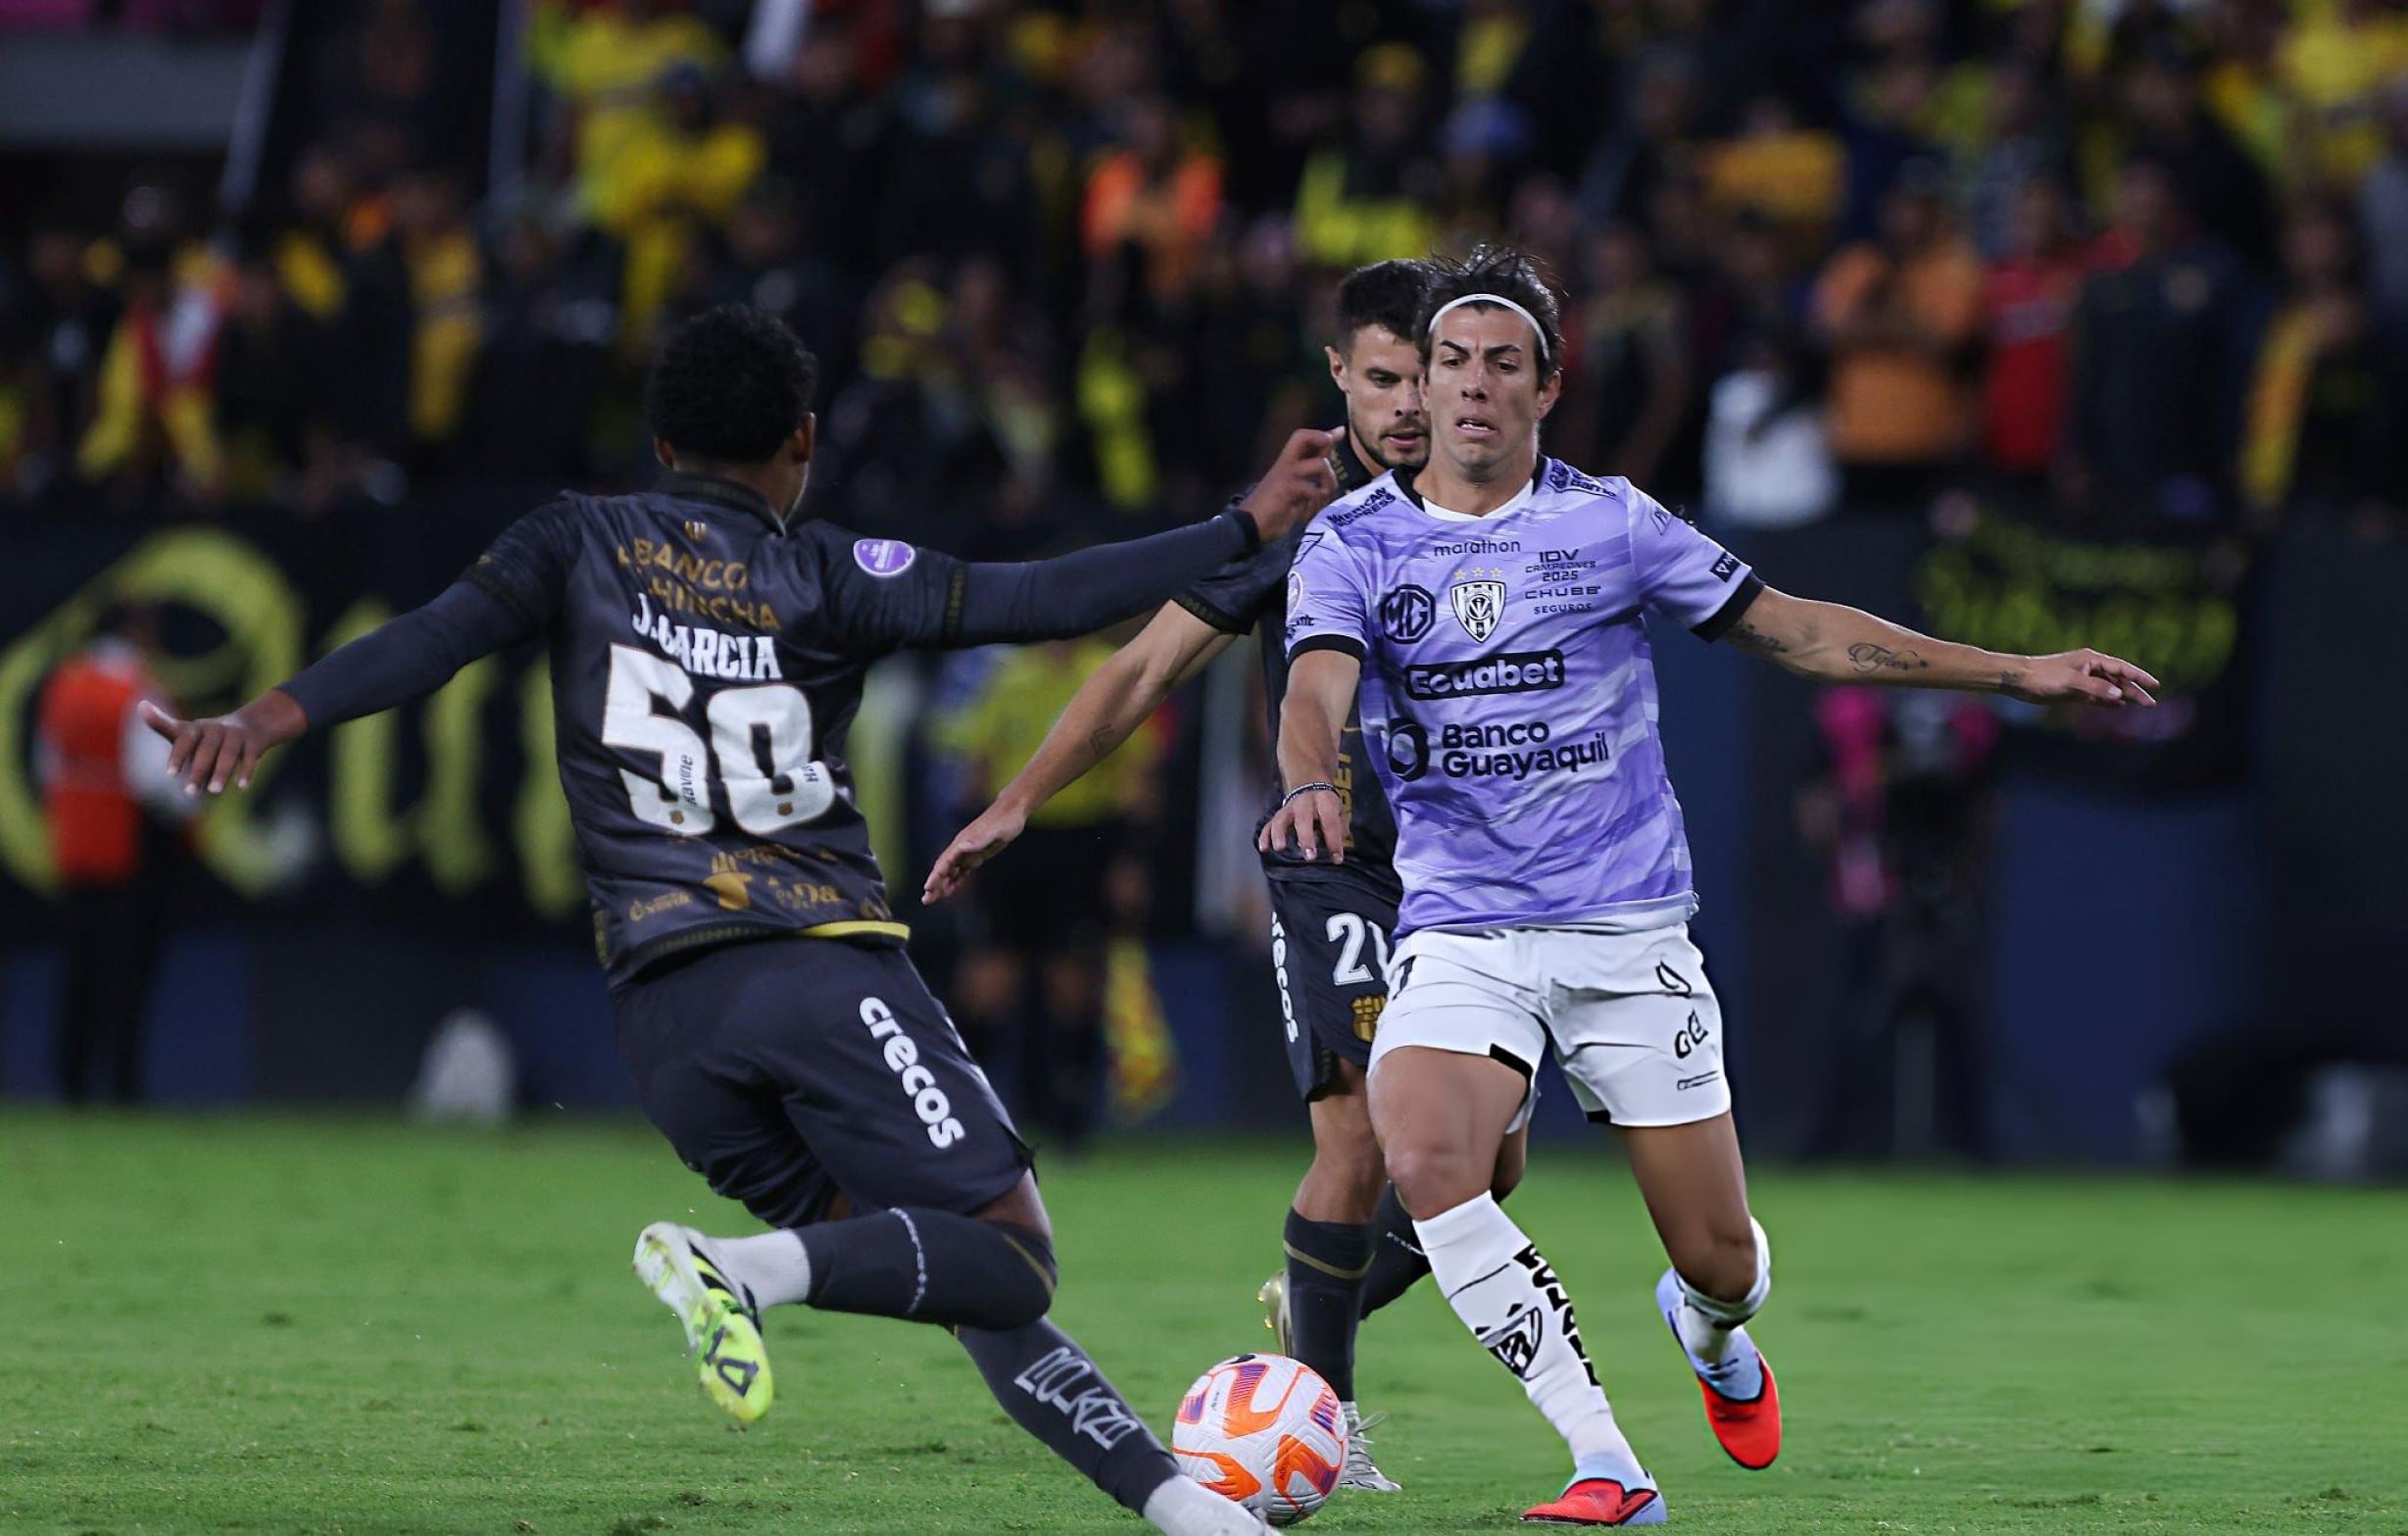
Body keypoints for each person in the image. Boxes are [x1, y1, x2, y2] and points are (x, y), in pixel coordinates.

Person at [140, 305, 1335, 1536]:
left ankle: (1190, 1512)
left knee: (947, 1272)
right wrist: (1242, 525)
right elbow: (1037, 596)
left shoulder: (574, 540)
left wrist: (264, 719)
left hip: (664, 1026)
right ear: (803, 441)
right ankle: (742, 1271)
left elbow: (429, 641)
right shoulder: (824, 574)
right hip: (812, 969)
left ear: (659, 445)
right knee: (1011, 1254)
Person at [1262, 247, 2158, 1526]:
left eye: (1499, 362)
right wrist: (1310, 779)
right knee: (1425, 1152)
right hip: (1463, 921)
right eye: (1449, 359)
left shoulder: (1613, 522)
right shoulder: (1352, 540)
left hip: (1627, 929)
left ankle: (1713, 1330)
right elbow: (1313, 694)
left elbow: (1796, 627)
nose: (1467, 386)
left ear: (1547, 384)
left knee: (1719, 1256)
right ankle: (1608, 1463)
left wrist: (2016, 671)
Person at [924, 260, 1526, 1495]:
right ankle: (1330, 1419)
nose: (1408, 405)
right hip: (1335, 867)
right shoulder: (1298, 526)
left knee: (1485, 1169)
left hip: (1475, 879)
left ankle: (1314, 1290)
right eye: (1380, 380)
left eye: (1426, 376)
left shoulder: (1501, 505)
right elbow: (1141, 671)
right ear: (1338, 382)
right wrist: (1020, 799)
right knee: (1363, 1137)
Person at [35, 608, 194, 1104]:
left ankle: (72, 1085)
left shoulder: (64, 686)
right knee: (128, 973)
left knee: (80, 970)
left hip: (76, 847)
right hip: (131, 849)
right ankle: (124, 1087)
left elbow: (47, 768)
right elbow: (155, 780)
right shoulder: (139, 691)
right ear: (139, 633)